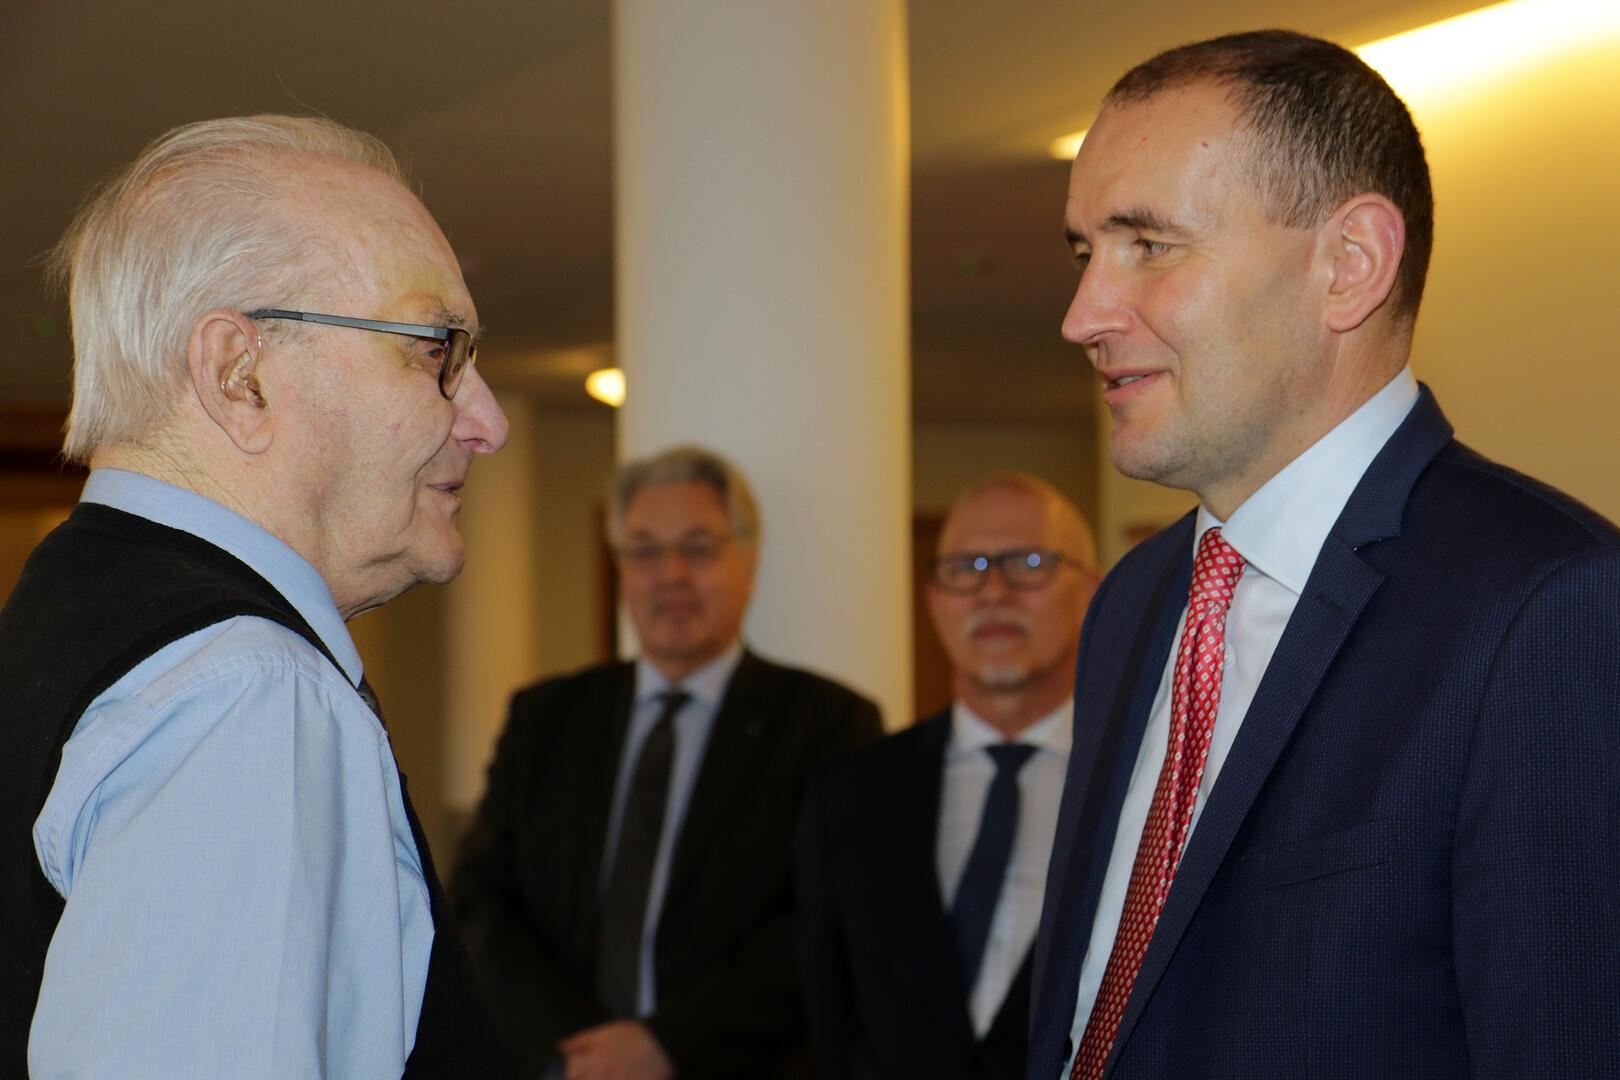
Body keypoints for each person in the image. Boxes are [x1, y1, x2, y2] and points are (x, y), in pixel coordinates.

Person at [1023, 28, 1620, 1080]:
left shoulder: (1549, 607)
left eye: (1149, 245)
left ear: (1349, 267)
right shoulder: (1133, 601)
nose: (1082, 317)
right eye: (1085, 254)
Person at [0, 117, 517, 1078]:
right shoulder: (248, 691)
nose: (486, 422)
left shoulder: (70, 606)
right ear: (239, 376)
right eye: (436, 350)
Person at [452, 444, 883, 1080]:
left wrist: (664, 1043)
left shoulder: (827, 724)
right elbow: (483, 898)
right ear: (621, 568)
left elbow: (822, 919)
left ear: (749, 562)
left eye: (699, 548)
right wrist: (581, 1051)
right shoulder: (546, 718)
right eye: (646, 551)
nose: (671, 575)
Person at [798, 474, 1098, 1080]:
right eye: (966, 568)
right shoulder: (849, 793)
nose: (993, 592)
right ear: (935, 601)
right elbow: (823, 1022)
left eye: (1029, 564)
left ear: (1092, 591)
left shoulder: (1146, 788)